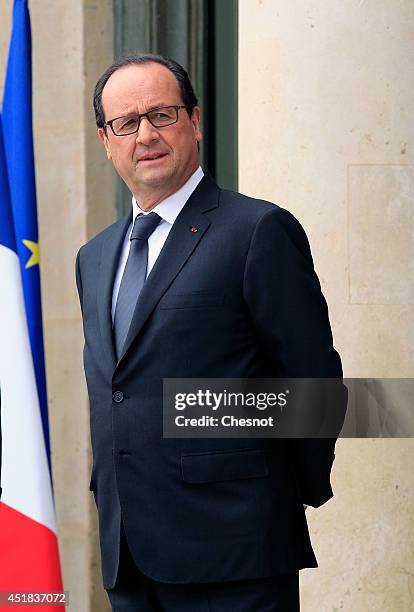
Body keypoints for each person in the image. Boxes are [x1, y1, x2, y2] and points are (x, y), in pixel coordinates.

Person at [76, 53, 345, 611]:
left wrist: (271, 495)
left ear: (195, 121)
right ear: (107, 141)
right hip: (128, 554)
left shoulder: (257, 230)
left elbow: (314, 389)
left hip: (235, 552)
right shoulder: (94, 257)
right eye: (126, 123)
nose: (145, 134)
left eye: (163, 114)